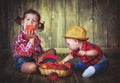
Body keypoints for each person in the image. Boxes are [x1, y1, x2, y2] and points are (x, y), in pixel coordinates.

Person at [12, 9, 57, 73]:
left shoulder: (35, 36)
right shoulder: (20, 37)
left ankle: (48, 66)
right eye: (28, 19)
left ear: (38, 25)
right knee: (32, 67)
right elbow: (26, 54)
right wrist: (31, 39)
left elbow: (39, 50)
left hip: (35, 58)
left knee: (52, 51)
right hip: (22, 60)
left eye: (34, 21)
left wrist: (42, 56)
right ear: (22, 22)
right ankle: (41, 67)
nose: (30, 22)